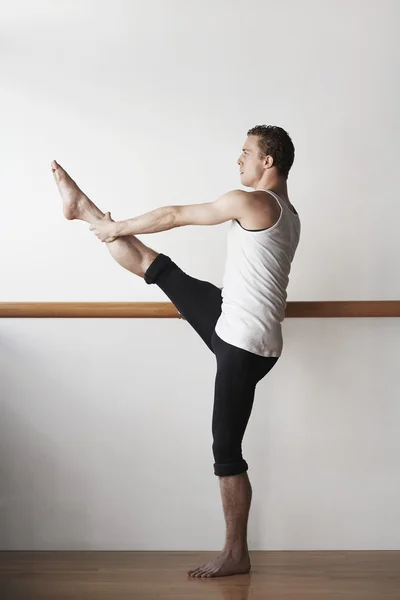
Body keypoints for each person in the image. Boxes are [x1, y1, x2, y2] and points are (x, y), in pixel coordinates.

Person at [51, 124, 301, 578]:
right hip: (233, 320)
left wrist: (118, 226)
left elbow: (174, 215)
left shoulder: (256, 201)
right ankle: (83, 209)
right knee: (157, 268)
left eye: (246, 152)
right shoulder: (287, 210)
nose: (239, 159)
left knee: (226, 450)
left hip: (243, 343)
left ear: (268, 161)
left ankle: (236, 554)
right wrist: (108, 227)